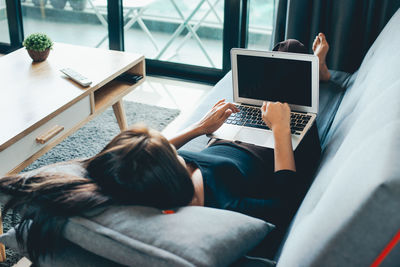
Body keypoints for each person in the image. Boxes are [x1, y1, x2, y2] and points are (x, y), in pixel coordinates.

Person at [0, 34, 330, 262]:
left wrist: (202, 128)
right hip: (275, 149)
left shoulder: (144, 178)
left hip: (227, 138)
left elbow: (132, 156)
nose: (175, 150)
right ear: (171, 171)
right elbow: (286, 199)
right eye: (171, 153)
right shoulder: (227, 203)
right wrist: (282, 129)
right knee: (290, 54)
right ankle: (316, 70)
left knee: (266, 79)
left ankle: (313, 70)